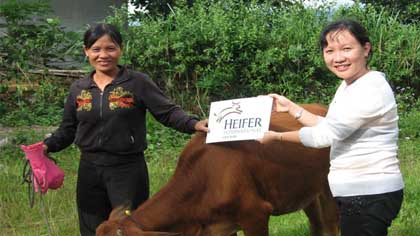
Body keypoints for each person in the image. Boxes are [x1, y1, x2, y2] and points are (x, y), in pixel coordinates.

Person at [42, 23, 208, 236]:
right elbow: (68, 129)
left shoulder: (136, 82)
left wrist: (193, 124)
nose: (103, 55)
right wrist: (47, 146)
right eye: (96, 49)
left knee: (129, 229)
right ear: (86, 51)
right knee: (92, 230)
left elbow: (166, 112)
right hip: (90, 171)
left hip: (127, 171)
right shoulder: (79, 89)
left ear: (120, 49)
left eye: (110, 48)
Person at [258, 19, 404, 236]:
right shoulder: (349, 85)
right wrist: (291, 108)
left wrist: (276, 137)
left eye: (347, 49)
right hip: (357, 191)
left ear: (366, 49)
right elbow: (330, 125)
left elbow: (326, 135)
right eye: (330, 50)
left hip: (370, 191)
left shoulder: (371, 88)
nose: (338, 58)